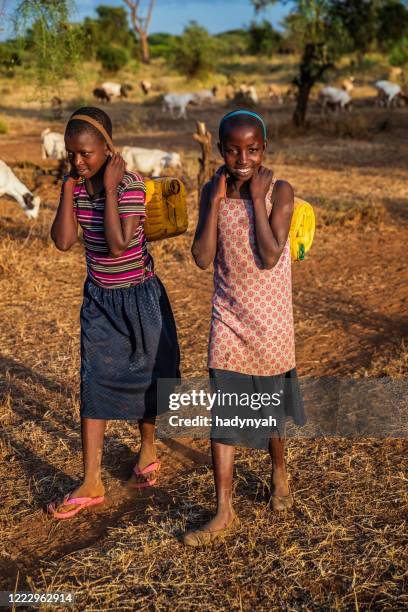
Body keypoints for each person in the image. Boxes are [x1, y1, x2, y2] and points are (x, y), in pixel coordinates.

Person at [48, 107, 180, 519]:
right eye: (71, 154)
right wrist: (70, 188)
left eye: (85, 153)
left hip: (139, 296)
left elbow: (120, 245)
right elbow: (64, 241)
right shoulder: (77, 183)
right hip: (100, 300)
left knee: (148, 375)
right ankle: (91, 480)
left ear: (108, 149)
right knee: (95, 380)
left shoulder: (129, 185)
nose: (77, 161)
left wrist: (106, 190)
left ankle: (147, 448)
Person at [185, 109, 306, 546]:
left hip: (270, 319)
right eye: (233, 149)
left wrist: (256, 198)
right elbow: (202, 257)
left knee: (270, 411)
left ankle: (278, 470)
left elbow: (271, 254)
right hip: (228, 316)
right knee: (226, 410)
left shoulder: (280, 191)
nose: (242, 157)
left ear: (264, 150)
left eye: (252, 149)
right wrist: (215, 203)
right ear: (220, 150)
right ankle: (224, 510)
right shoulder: (210, 191)